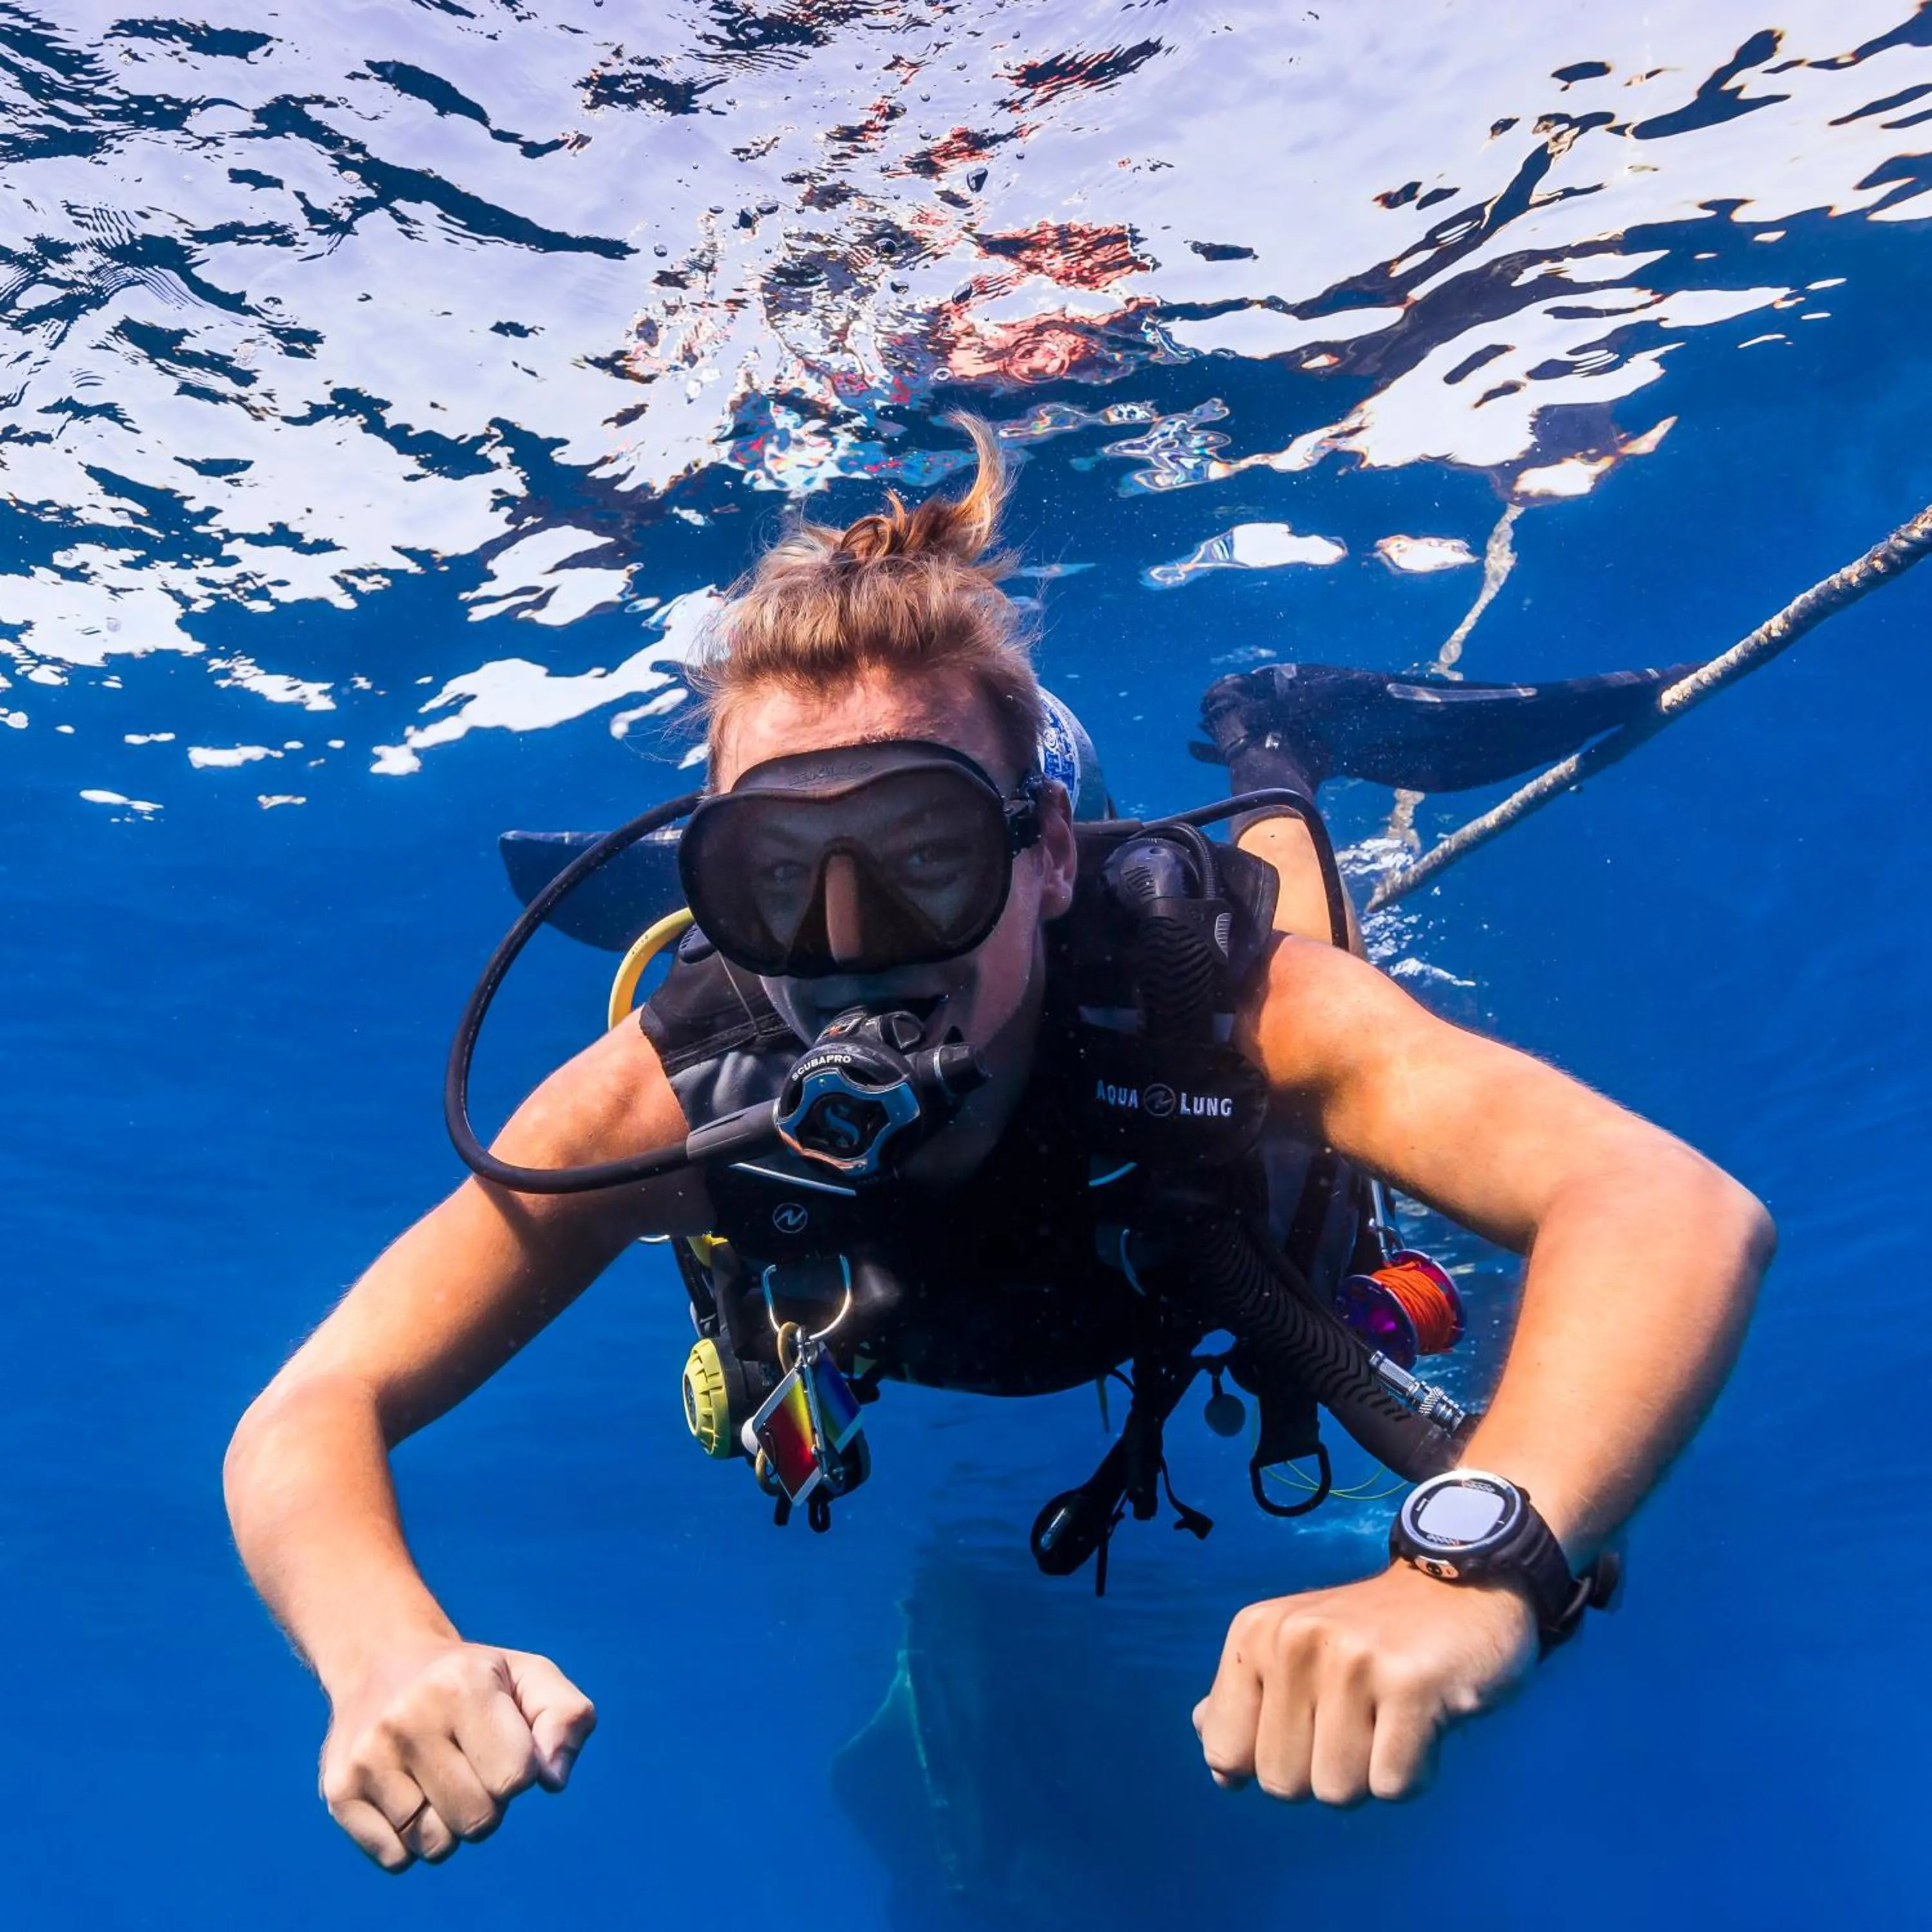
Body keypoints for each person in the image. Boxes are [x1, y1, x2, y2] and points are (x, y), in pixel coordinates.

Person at [224, 414, 1773, 1872]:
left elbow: (1666, 1205)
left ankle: (1273, 738)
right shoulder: (674, 1084)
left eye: (926, 858)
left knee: (1302, 928)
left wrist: (1474, 1572)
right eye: (779, 878)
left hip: (1190, 1133)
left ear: (1045, 859)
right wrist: (383, 1652)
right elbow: (312, 1404)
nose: (851, 946)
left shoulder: (1211, 994)